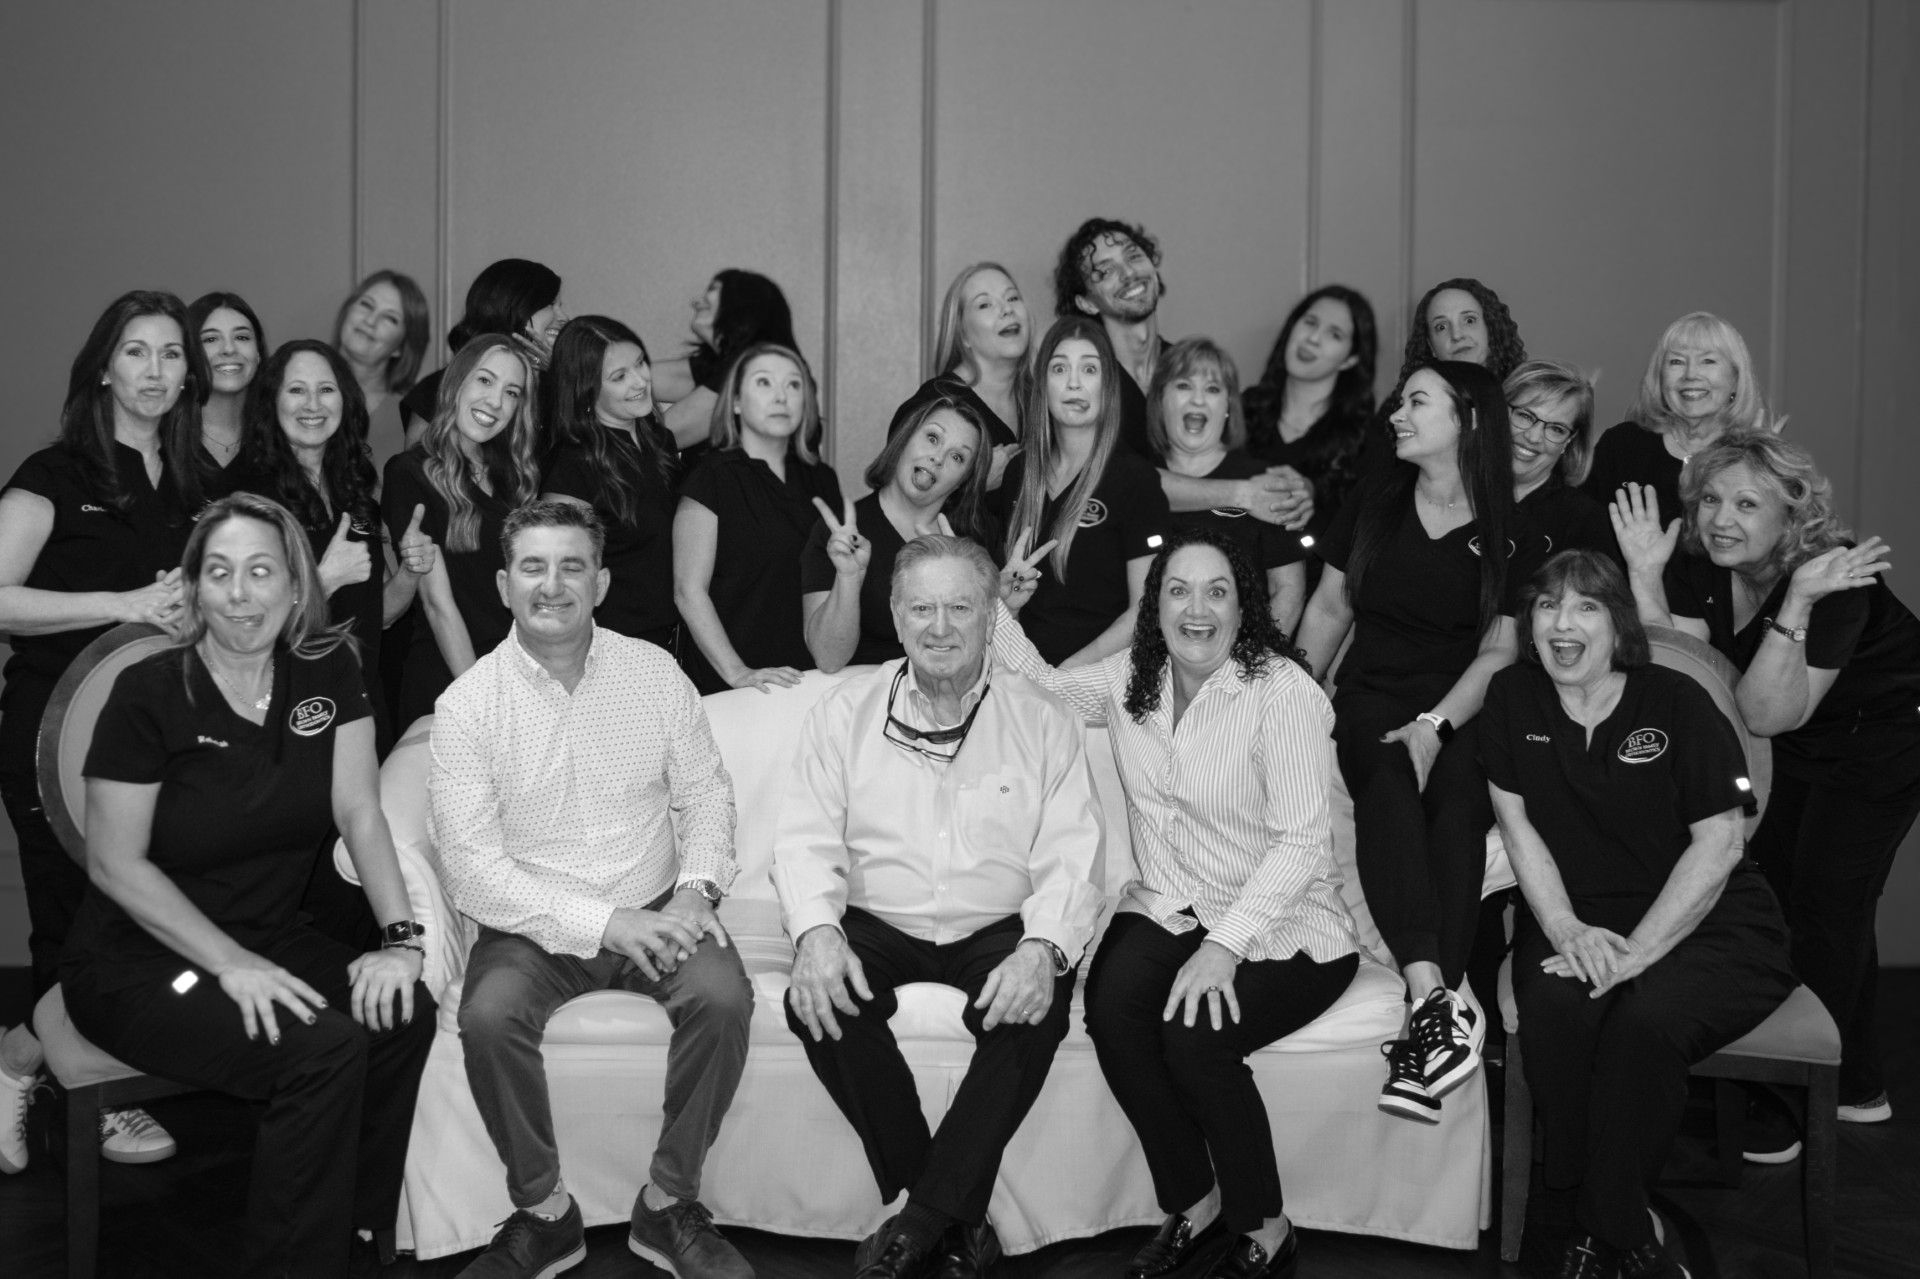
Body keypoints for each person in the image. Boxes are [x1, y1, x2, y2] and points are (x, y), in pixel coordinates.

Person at [59, 492, 437, 1276]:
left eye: (262, 571)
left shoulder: (330, 668)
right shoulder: (149, 692)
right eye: (221, 572)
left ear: (297, 587)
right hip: (139, 963)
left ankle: (360, 1230)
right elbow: (113, 863)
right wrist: (231, 964)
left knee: (403, 1008)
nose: (241, 592)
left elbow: (361, 810)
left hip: (265, 936)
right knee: (322, 1047)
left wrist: (402, 940)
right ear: (194, 588)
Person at [992, 529, 1359, 1279]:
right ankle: (1194, 1198)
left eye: (1217, 590)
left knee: (1197, 1038)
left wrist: (1224, 946)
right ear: (1153, 604)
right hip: (1171, 906)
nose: (1197, 608)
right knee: (1114, 1009)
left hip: (1288, 924)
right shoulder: (1136, 676)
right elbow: (1045, 694)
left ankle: (1266, 1220)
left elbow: (1301, 844)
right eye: (1178, 590)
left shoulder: (1283, 693)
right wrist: (999, 609)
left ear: (1243, 604)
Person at [432, 501, 753, 1279]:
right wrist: (606, 924)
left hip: (659, 908)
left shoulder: (654, 672)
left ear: (601, 580)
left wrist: (696, 889)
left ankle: (667, 1202)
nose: (553, 584)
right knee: (487, 1012)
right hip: (531, 924)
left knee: (723, 998)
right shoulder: (467, 705)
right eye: (534, 567)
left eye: (572, 565)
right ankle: (544, 1213)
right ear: (505, 584)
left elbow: (707, 796)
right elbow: (474, 871)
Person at [772, 535, 1103, 1279]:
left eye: (960, 606)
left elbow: (1073, 853)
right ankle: (952, 1217)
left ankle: (916, 1221)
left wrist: (1041, 948)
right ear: (894, 614)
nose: (941, 625)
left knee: (1036, 1003)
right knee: (818, 997)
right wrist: (818, 932)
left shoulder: (1042, 719)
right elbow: (803, 838)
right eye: (922, 606)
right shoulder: (842, 711)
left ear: (992, 616)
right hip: (878, 916)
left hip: (998, 924)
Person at [1482, 549, 1794, 1278]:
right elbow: (1518, 827)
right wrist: (1562, 928)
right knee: (1558, 1009)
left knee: (1643, 1023)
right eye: (1548, 604)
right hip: (1576, 914)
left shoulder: (1676, 701)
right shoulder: (1511, 699)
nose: (1563, 621)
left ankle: (1595, 1224)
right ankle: (1623, 1223)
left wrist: (1643, 949)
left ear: (1617, 622)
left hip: (1708, 916)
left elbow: (1719, 844)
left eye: (1586, 605)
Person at [1613, 432, 1920, 1126]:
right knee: (1780, 895)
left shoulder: (1835, 577)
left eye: (1747, 503)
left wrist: (1798, 602)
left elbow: (1762, 711)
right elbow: (1684, 664)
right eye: (1713, 499)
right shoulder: (1705, 561)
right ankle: (1827, 1074)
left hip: (1884, 736)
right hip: (1803, 739)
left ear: (1792, 513)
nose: (1723, 517)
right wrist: (1642, 573)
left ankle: (1819, 1095)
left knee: (1830, 903)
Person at [1293, 359, 1540, 1120]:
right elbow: (1332, 607)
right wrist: (1294, 695)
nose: (1398, 413)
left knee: (1463, 801)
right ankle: (1433, 998)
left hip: (1465, 701)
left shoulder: (1509, 526)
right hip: (1371, 695)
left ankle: (1427, 1024)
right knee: (1387, 769)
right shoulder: (1376, 499)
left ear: (1468, 417)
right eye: (1401, 401)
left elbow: (1500, 651)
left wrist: (1438, 724)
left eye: (1416, 401)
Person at [0, 290, 202, 1168]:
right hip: (52, 737)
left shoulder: (196, 482)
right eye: (136, 352)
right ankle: (87, 1093)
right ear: (103, 367)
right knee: (72, 919)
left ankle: (20, 1057)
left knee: (136, 920)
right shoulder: (56, 473)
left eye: (169, 354)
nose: (154, 371)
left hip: (160, 747)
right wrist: (119, 603)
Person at [240, 339, 439, 744]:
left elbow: (377, 615)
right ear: (271, 403)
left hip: (360, 704)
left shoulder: (354, 490)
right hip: (286, 714)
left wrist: (411, 572)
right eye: (296, 390)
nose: (313, 404)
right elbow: (244, 627)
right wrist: (325, 577)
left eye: (326, 390)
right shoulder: (250, 500)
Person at [1052, 217, 1311, 527]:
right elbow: (1117, 480)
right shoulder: (1086, 381)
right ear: (1086, 302)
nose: (1128, 273)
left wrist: (1295, 491)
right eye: (1105, 271)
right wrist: (1243, 494)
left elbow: (1233, 459)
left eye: (1133, 256)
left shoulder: (1189, 369)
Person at [382, 334, 541, 730]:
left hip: (519, 675)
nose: (495, 402)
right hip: (454, 680)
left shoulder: (515, 476)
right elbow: (438, 606)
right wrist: (483, 700)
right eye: (484, 381)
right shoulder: (409, 473)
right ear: (456, 382)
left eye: (511, 392)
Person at [992, 315, 1169, 667]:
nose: (1074, 383)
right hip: (1017, 674)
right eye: (1059, 369)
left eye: (1089, 370)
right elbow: (1007, 601)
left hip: (1101, 683)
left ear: (1108, 386)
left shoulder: (1135, 479)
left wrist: (1063, 676)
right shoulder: (1019, 473)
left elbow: (1144, 611)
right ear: (1043, 384)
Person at [672, 342, 842, 694]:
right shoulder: (711, 477)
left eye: (793, 385)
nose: (781, 396)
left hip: (810, 681)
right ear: (735, 401)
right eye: (764, 383)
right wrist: (738, 672)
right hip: (735, 687)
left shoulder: (821, 478)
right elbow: (688, 591)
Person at [803, 391, 992, 671]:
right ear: (904, 439)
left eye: (957, 457)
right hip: (859, 701)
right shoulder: (841, 532)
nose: (938, 458)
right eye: (932, 438)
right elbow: (828, 659)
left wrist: (1007, 608)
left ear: (963, 481)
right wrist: (849, 577)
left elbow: (983, 657)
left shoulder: (971, 545)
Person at [1147, 337, 1308, 634]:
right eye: (1184, 386)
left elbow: (1289, 591)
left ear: (1227, 407)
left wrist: (1252, 662)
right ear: (1159, 400)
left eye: (1212, 389)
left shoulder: (1261, 481)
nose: (1197, 400)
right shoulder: (1137, 477)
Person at [541, 316, 682, 652]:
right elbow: (561, 576)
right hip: (609, 645)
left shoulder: (660, 440)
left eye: (640, 364)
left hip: (673, 636)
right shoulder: (571, 464)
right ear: (586, 389)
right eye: (620, 377)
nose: (640, 381)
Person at [1582, 311, 1771, 521]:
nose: (1690, 374)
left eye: (1708, 361)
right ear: (1660, 377)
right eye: (1676, 362)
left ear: (1736, 379)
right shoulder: (1620, 445)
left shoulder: (1751, 458)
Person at [1242, 284, 1380, 544]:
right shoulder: (1241, 410)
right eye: (1310, 322)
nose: (1313, 338)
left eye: (1334, 334)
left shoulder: (1366, 441)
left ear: (1350, 359)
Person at [1358, 278, 1528, 476]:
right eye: (1441, 327)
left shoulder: (1526, 399)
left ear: (1491, 328)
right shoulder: (1399, 409)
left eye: (1469, 321)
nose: (1457, 335)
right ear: (1431, 345)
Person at [885, 261, 1029, 489]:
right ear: (962, 334)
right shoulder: (932, 404)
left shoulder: (1045, 400)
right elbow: (898, 506)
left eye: (1012, 298)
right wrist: (976, 483)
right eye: (984, 304)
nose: (1006, 309)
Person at [399, 259, 565, 435]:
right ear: (513, 306)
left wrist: (560, 375)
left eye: (511, 392)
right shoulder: (441, 386)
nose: (563, 317)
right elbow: (417, 460)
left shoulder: (557, 385)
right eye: (551, 305)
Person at [653, 269, 798, 452]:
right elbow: (632, 380)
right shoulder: (722, 365)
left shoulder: (753, 368)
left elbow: (657, 440)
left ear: (744, 302)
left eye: (712, 289)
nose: (696, 302)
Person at [1505, 360, 1615, 562]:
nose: (1534, 437)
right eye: (1525, 416)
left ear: (1569, 441)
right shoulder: (1457, 488)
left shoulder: (1583, 521)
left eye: (1556, 429)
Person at [332, 269, 431, 469]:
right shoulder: (293, 388)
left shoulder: (412, 419)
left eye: (390, 318)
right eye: (366, 305)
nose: (370, 321)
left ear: (402, 346)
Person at [187, 291, 265, 483]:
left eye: (242, 337)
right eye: (211, 339)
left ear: (258, 354)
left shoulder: (278, 438)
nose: (229, 349)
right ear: (189, 353)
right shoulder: (163, 439)